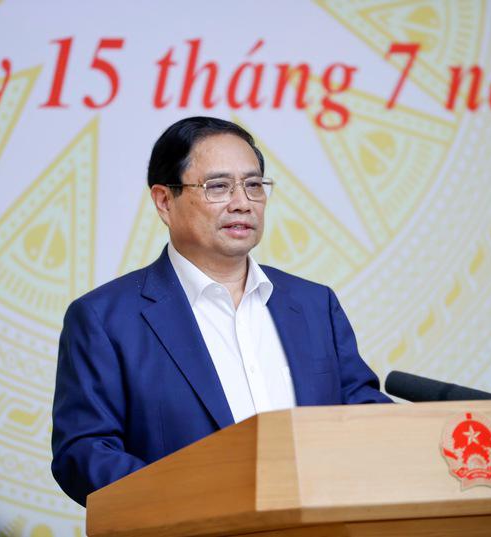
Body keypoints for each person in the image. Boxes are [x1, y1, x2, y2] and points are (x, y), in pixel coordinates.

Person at [51, 116, 391, 506]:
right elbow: (83, 455)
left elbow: (365, 418)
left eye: (253, 185)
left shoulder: (314, 305)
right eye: (218, 187)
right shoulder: (105, 319)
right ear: (165, 201)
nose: (242, 202)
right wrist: (200, 500)